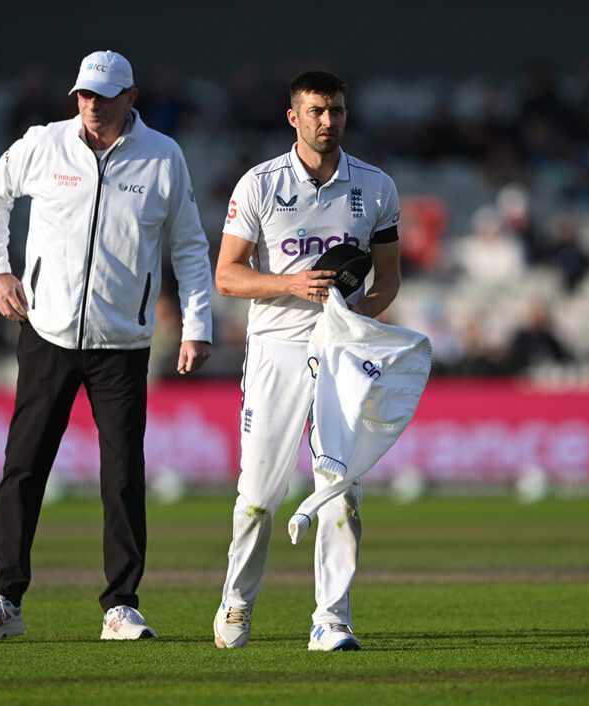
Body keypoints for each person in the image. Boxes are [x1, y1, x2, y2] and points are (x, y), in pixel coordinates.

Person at [0, 50, 213, 641]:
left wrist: (196, 324)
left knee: (122, 476)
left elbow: (189, 247)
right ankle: (3, 600)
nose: (92, 105)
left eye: (104, 95)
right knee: (24, 467)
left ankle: (120, 605)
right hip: (47, 332)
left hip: (123, 342)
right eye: (85, 95)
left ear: (131, 97)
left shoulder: (164, 157)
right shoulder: (44, 143)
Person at [213, 71, 401, 651]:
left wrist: (353, 319)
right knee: (259, 494)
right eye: (316, 111)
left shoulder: (376, 186)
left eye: (336, 110)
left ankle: (331, 618)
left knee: (341, 490)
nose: (327, 121)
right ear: (293, 117)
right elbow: (227, 276)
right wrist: (289, 284)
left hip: (339, 353)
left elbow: (388, 280)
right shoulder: (260, 184)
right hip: (276, 350)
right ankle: (238, 603)